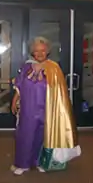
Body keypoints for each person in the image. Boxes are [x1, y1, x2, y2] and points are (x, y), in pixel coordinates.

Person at [11, 37, 80, 176]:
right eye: (36, 51)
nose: (40, 53)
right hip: (28, 109)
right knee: (25, 136)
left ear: (47, 51)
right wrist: (14, 101)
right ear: (32, 52)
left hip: (47, 109)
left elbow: (60, 92)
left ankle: (40, 162)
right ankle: (22, 164)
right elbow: (19, 87)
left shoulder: (54, 68)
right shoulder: (26, 68)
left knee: (43, 137)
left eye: (42, 50)